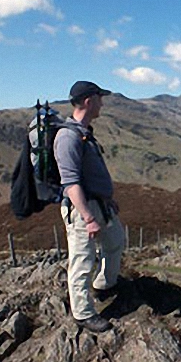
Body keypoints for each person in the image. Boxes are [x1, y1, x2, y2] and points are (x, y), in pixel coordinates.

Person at [54, 81, 125, 333]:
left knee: (116, 240)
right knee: (83, 260)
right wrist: (88, 217)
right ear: (88, 101)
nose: (102, 103)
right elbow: (71, 183)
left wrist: (106, 199)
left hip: (100, 205)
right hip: (83, 209)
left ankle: (104, 284)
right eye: (99, 98)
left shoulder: (84, 132)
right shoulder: (67, 137)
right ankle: (83, 313)